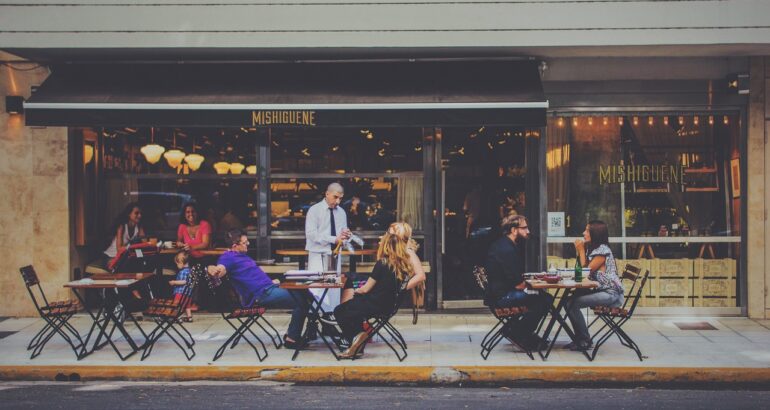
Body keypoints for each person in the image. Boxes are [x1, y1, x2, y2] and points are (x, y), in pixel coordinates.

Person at [334, 222, 425, 359]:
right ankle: (356, 341)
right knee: (352, 284)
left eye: (390, 233)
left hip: (380, 301)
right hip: (386, 301)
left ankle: (355, 337)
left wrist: (400, 288)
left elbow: (420, 275)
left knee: (346, 305)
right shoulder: (395, 258)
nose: (385, 235)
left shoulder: (404, 254)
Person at [207, 229, 309, 349]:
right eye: (245, 243)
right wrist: (211, 268)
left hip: (269, 287)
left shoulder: (242, 256)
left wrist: (271, 282)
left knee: (305, 293)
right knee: (302, 300)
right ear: (235, 246)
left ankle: (298, 334)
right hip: (261, 294)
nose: (248, 244)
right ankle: (292, 338)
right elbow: (220, 269)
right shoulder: (228, 257)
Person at [483, 214, 552, 350]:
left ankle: (517, 330)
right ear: (514, 230)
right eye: (524, 228)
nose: (528, 231)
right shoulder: (507, 250)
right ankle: (519, 333)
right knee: (544, 300)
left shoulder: (504, 244)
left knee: (542, 298)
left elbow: (516, 278)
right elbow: (518, 284)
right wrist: (536, 284)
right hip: (503, 297)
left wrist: (533, 281)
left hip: (498, 294)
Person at [567, 220, 625, 351]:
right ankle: (580, 338)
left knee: (572, 303)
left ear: (595, 234)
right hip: (602, 290)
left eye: (587, 231)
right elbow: (583, 271)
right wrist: (582, 251)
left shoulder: (602, 251)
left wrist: (581, 250)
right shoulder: (595, 249)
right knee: (569, 301)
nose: (584, 233)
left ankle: (584, 340)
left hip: (611, 294)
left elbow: (584, 272)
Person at [305, 182, 351, 313]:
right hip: (318, 256)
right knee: (316, 289)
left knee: (333, 290)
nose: (338, 201)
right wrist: (333, 239)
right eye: (335, 197)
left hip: (334, 256)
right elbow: (311, 234)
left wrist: (347, 236)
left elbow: (342, 234)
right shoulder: (314, 210)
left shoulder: (341, 212)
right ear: (327, 194)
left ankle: (329, 321)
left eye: (340, 198)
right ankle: (313, 323)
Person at [100, 202, 146, 269]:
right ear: (129, 214)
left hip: (124, 257)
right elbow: (119, 249)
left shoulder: (139, 227)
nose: (139, 216)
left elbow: (145, 244)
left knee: (141, 265)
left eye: (140, 213)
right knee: (119, 269)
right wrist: (133, 247)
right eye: (136, 213)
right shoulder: (122, 226)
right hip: (111, 256)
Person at [168, 251, 194, 322]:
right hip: (188, 293)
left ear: (181, 263)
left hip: (181, 292)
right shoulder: (190, 270)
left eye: (177, 264)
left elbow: (184, 281)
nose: (177, 266)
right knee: (187, 306)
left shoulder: (183, 272)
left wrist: (174, 282)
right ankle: (189, 317)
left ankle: (177, 317)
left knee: (177, 305)